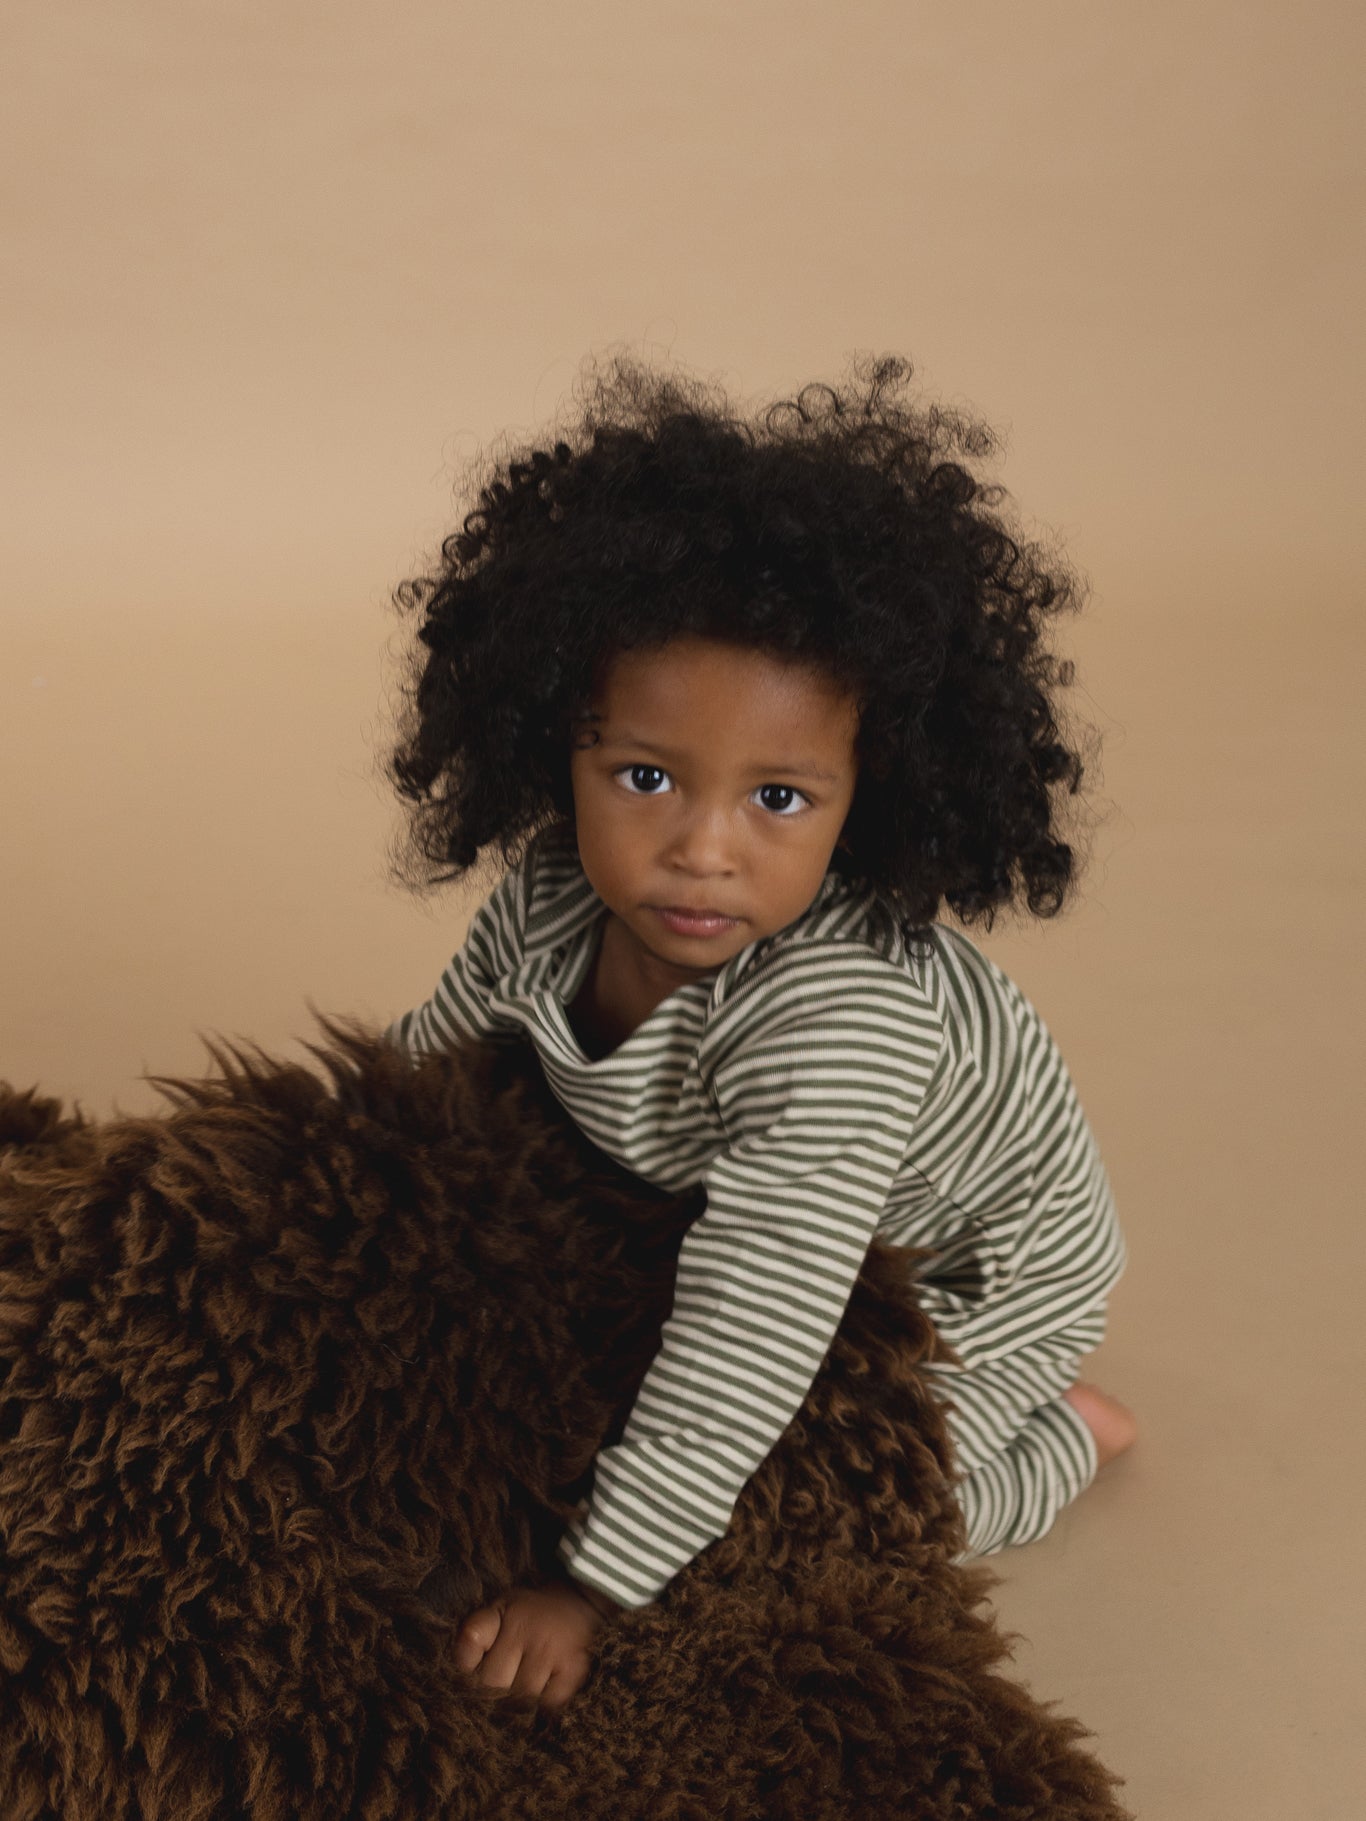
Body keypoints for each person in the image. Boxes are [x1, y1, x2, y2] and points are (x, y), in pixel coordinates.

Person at [381, 353, 1136, 1713]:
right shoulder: (551, 897)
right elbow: (417, 1092)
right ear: (557, 741)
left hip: (958, 1282)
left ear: (868, 798)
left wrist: (592, 1579)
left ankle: (1059, 1441)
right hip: (728, 1198)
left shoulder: (833, 1019)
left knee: (813, 1519)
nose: (700, 848)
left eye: (779, 795)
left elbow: (752, 1330)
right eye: (646, 774)